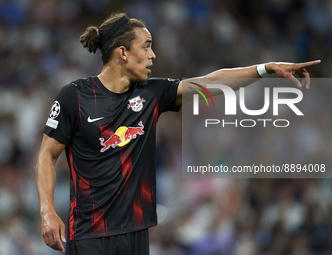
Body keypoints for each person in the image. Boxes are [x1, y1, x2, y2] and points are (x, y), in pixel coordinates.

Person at [36, 12, 320, 255]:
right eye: (146, 46)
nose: (153, 55)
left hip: (135, 233)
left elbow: (209, 83)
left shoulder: (152, 94)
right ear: (123, 52)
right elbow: (47, 155)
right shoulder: (74, 96)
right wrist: (47, 211)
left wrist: (265, 69)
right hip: (88, 235)